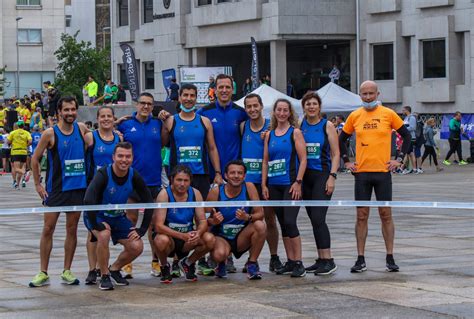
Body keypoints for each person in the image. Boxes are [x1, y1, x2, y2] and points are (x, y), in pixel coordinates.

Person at [338, 80, 411, 273]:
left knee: (385, 215)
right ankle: (360, 258)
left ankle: (390, 256)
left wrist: (399, 159)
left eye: (371, 93)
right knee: (361, 216)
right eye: (365, 94)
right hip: (362, 174)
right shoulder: (355, 116)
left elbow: (407, 136)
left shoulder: (388, 114)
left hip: (383, 173)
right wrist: (346, 161)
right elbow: (341, 139)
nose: (368, 97)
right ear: (360, 95)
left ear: (378, 94)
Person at [29, 96, 89, 287]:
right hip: (56, 190)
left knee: (72, 230)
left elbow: (99, 137)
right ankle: (43, 272)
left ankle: (67, 271)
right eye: (66, 110)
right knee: (48, 229)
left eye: (73, 109)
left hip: (77, 189)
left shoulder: (81, 129)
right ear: (59, 113)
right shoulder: (50, 133)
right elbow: (35, 158)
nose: (70, 113)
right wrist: (38, 184)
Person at [83, 142, 154, 290]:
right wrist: (95, 225)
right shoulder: (103, 173)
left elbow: (148, 201)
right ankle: (104, 275)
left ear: (132, 158)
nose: (124, 160)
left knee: (137, 246)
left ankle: (114, 269)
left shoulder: (134, 175)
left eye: (128, 156)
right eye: (120, 156)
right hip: (98, 216)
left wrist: (142, 229)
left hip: (118, 217)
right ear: (113, 157)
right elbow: (88, 200)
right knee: (103, 235)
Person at [196, 73, 248, 272]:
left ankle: (226, 255)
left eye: (228, 87)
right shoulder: (205, 112)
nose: (224, 90)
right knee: (209, 215)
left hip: (235, 175)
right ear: (215, 89)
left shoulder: (240, 112)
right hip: (211, 174)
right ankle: (205, 253)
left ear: (232, 89)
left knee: (231, 214)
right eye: (221, 87)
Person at [117, 92, 167, 278]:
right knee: (129, 222)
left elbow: (167, 137)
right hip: (131, 183)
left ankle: (156, 262)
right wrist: (115, 123)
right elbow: (107, 133)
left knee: (154, 225)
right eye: (142, 103)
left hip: (153, 183)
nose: (146, 107)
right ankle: (127, 263)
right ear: (136, 105)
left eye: (149, 104)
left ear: (153, 107)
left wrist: (166, 117)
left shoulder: (157, 124)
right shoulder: (126, 124)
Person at [261, 98, 308, 277]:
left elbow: (303, 159)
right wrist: (264, 184)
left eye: (285, 110)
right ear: (274, 112)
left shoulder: (294, 133)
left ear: (290, 113)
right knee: (282, 223)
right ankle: (290, 261)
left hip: (290, 185)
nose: (281, 113)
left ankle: (299, 262)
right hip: (274, 185)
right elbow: (266, 162)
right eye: (278, 110)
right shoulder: (270, 135)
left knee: (290, 222)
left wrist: (298, 181)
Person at [240, 93, 283, 272]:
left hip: (267, 181)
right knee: (250, 223)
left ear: (261, 106)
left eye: (255, 106)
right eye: (248, 107)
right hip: (249, 184)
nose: (252, 109)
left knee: (270, 220)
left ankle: (274, 257)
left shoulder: (271, 126)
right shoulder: (243, 127)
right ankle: (252, 259)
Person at [153, 165, 215, 283]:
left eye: (186, 180)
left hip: (188, 238)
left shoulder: (195, 193)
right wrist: (182, 236)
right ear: (172, 180)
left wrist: (198, 232)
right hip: (170, 238)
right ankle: (164, 266)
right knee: (161, 240)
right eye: (179, 180)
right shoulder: (164, 194)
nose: (182, 184)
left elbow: (202, 220)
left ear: (190, 181)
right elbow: (158, 226)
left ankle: (188, 263)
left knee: (210, 239)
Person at [299, 92, 340, 275]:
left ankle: (329, 260)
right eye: (308, 104)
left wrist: (332, 176)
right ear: (304, 107)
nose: (311, 107)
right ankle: (321, 258)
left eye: (314, 104)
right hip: (306, 177)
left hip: (322, 175)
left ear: (319, 107)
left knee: (318, 218)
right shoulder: (300, 125)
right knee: (313, 219)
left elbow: (336, 153)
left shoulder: (327, 125)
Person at [162, 83, 223, 200]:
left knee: (200, 212)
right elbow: (161, 144)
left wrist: (218, 173)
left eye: (192, 95)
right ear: (179, 97)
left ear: (196, 98)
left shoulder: (205, 121)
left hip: (200, 174)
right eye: (185, 95)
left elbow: (212, 148)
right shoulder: (170, 121)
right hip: (177, 176)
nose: (188, 99)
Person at [207, 160, 266, 280]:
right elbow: (204, 219)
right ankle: (221, 263)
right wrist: (214, 221)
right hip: (222, 236)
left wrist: (247, 217)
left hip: (241, 237)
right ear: (226, 175)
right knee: (219, 254)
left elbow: (260, 214)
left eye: (240, 173)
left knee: (260, 225)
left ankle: (252, 263)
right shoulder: (216, 191)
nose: (236, 176)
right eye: (232, 173)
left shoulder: (249, 187)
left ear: (244, 176)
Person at [83, 106, 121, 285]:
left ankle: (104, 267)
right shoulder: (91, 137)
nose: (106, 119)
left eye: (109, 116)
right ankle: (93, 269)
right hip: (94, 190)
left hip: (112, 192)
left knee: (105, 232)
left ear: (114, 118)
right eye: (102, 116)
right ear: (97, 119)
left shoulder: (119, 138)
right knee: (93, 232)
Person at [7, 121, 32, 189]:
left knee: (16, 168)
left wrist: (11, 143)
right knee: (21, 167)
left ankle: (26, 173)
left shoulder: (13, 132)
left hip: (15, 152)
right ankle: (18, 184)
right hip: (24, 152)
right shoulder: (27, 133)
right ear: (23, 126)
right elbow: (30, 141)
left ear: (17, 126)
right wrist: (26, 145)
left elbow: (8, 141)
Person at [401, 106, 418, 174]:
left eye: (403, 110)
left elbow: (413, 127)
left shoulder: (412, 118)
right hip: (406, 137)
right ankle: (413, 169)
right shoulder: (406, 118)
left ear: (407, 110)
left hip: (410, 138)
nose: (402, 111)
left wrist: (403, 130)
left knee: (407, 153)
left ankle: (401, 168)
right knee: (410, 154)